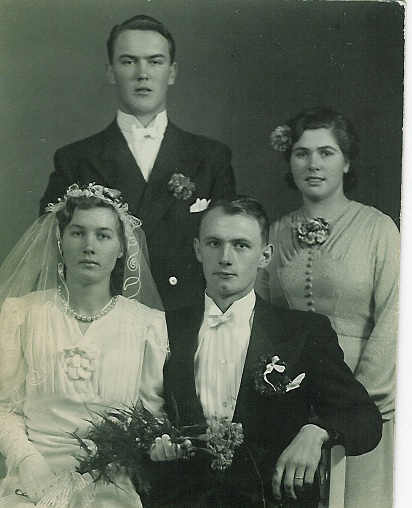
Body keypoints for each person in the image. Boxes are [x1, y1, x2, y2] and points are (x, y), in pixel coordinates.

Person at [149, 196, 382, 508]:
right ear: (197, 250)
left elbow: (364, 418)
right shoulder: (163, 327)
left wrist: (317, 431)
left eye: (241, 245)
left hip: (270, 500)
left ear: (265, 255)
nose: (225, 258)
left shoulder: (302, 332)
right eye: (214, 243)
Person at [39, 14, 236, 311]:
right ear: (111, 72)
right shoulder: (75, 159)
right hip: (106, 316)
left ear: (172, 72)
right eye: (129, 61)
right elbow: (51, 250)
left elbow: (229, 249)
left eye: (155, 61)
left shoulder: (211, 157)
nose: (142, 73)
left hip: (187, 317)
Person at [256, 107, 399, 508]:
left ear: (347, 161)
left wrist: (356, 407)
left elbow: (396, 320)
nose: (313, 164)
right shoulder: (276, 232)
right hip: (294, 400)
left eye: (326, 152)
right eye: (301, 153)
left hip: (363, 397)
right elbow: (262, 318)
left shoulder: (379, 230)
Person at [0, 183, 168, 507]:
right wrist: (27, 460)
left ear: (121, 248)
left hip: (109, 488)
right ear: (61, 241)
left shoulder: (147, 325)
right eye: (78, 233)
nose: (89, 246)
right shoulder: (22, 314)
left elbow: (152, 417)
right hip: (31, 483)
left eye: (103, 235)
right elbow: (4, 407)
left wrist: (157, 444)